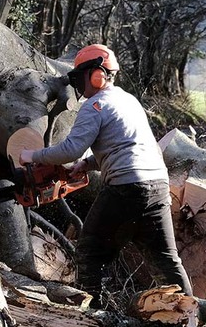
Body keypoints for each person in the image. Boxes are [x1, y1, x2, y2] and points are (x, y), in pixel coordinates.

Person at [19, 43, 193, 307]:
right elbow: (127, 145)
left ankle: (94, 318)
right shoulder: (128, 100)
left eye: (80, 76)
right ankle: (190, 317)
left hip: (126, 187)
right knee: (166, 261)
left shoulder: (95, 105)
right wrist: (89, 164)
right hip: (157, 185)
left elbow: (70, 149)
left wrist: (33, 155)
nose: (78, 84)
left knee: (89, 251)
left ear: (96, 74)